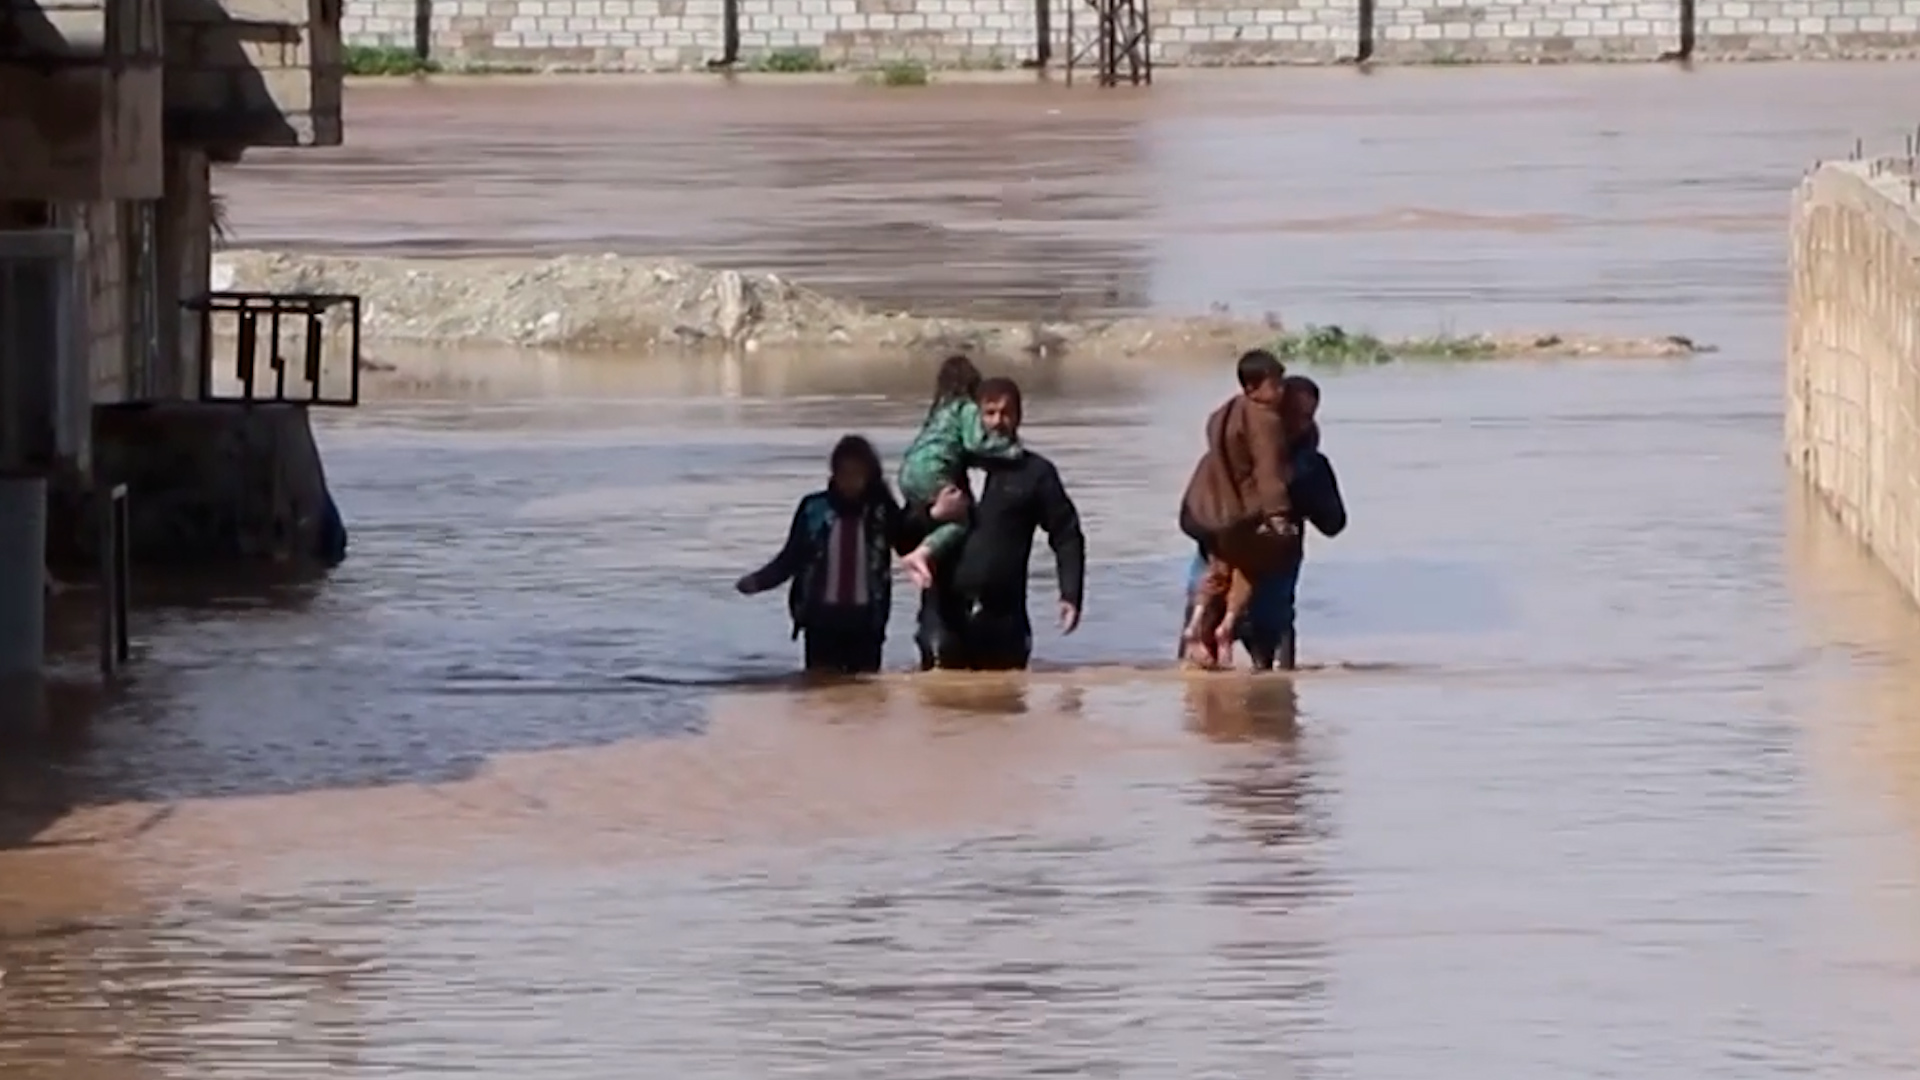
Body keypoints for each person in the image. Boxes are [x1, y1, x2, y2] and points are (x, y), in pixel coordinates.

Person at [736, 434, 964, 674]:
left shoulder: (882, 511)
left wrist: (932, 513)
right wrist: (758, 581)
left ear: (869, 476)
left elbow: (910, 545)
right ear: (833, 473)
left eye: (857, 474)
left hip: (866, 621)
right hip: (820, 619)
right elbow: (791, 558)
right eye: (844, 473)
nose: (850, 480)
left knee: (866, 687)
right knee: (821, 685)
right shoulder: (813, 509)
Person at [911, 377, 1085, 672]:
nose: (997, 421)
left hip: (1005, 619)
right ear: (974, 417)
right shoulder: (943, 467)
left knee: (1006, 697)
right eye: (989, 413)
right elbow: (904, 532)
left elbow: (1066, 535)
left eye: (1006, 413)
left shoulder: (1035, 472)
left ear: (1019, 417)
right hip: (943, 616)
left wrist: (1070, 593)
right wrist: (934, 513)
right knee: (937, 696)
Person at [1180, 374, 1346, 670]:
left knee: (1271, 674)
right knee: (1201, 662)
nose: (1297, 423)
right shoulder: (1231, 457)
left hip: (1259, 570)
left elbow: (1333, 523)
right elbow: (1191, 516)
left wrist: (1307, 493)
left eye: (1305, 416)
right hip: (1234, 564)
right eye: (1291, 414)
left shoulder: (1307, 464)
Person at [1177, 349, 1301, 668]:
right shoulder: (1265, 419)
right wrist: (1278, 516)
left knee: (1218, 567)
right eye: (1275, 384)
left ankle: (1197, 622)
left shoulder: (1221, 414)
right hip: (1243, 514)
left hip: (1211, 513)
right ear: (1252, 387)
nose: (1281, 391)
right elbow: (1268, 471)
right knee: (1250, 567)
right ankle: (1227, 624)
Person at [895, 355, 1026, 590]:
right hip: (934, 469)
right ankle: (923, 554)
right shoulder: (965, 408)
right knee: (960, 519)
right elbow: (975, 442)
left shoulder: (939, 412)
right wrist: (1011, 451)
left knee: (941, 516)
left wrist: (930, 514)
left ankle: (925, 558)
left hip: (908, 472)